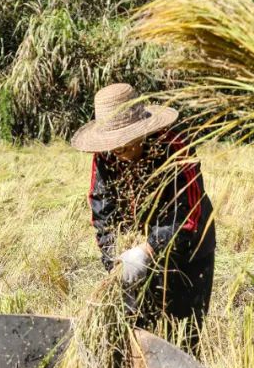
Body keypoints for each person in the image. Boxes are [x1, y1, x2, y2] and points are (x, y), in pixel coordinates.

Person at [71, 82, 216, 352]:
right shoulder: (106, 157)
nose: (118, 151)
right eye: (113, 145)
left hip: (189, 249)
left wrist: (148, 249)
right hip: (135, 252)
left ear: (142, 131)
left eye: (124, 144)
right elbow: (102, 208)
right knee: (136, 329)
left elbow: (188, 215)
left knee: (183, 336)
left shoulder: (174, 147)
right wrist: (114, 258)